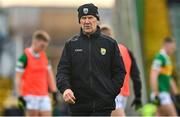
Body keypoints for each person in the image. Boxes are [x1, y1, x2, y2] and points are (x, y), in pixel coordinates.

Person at [56, 3, 126, 116]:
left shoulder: (110, 44)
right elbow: (62, 72)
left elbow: (120, 71)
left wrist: (110, 92)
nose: (87, 21)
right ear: (80, 21)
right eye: (83, 18)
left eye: (90, 17)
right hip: (78, 106)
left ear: (97, 19)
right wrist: (66, 89)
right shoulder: (71, 44)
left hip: (103, 106)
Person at [101, 26, 142, 116]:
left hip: (114, 94)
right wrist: (138, 96)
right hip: (120, 95)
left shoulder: (101, 52)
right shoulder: (125, 50)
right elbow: (136, 76)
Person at [15, 30, 58, 116]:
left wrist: (54, 92)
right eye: (42, 45)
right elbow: (17, 78)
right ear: (35, 41)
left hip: (43, 95)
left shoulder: (44, 57)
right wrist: (19, 96)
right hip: (30, 96)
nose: (43, 48)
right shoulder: (23, 58)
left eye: (45, 46)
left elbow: (50, 76)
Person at [150, 37, 180, 116]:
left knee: (160, 115)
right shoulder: (159, 58)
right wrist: (156, 94)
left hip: (164, 93)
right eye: (172, 48)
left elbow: (169, 77)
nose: (173, 50)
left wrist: (176, 94)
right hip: (161, 94)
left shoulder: (167, 59)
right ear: (166, 45)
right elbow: (153, 75)